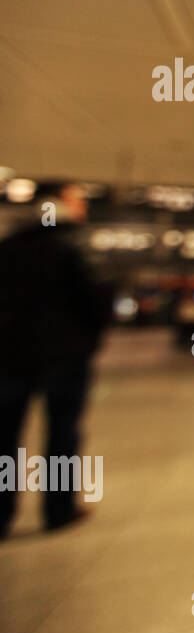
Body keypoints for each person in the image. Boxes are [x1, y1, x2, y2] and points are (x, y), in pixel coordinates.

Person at [0, 183, 113, 538]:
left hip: (8, 356)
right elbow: (98, 299)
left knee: (4, 437)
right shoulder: (75, 248)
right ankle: (58, 509)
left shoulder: (9, 247)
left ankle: (0, 513)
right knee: (62, 434)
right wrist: (89, 341)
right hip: (65, 357)